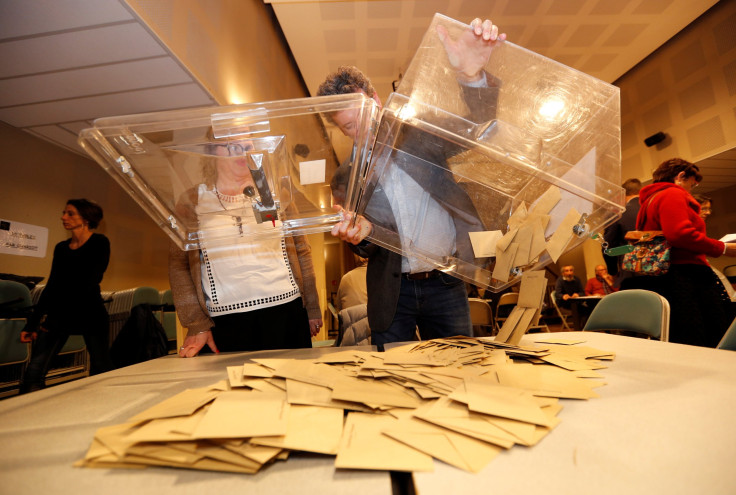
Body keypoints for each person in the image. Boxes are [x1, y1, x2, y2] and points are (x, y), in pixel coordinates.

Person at [318, 18, 506, 349]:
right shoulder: (344, 178)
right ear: (339, 129)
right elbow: (364, 245)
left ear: (376, 99)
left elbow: (478, 127)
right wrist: (358, 236)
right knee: (395, 380)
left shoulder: (420, 133)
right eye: (349, 126)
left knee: (459, 368)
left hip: (446, 282)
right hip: (392, 293)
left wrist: (472, 75)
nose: (362, 130)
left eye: (364, 115)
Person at [170, 141, 322, 357]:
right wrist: (196, 323)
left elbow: (301, 250)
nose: (242, 153)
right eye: (232, 146)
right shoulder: (193, 199)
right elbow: (179, 266)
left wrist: (313, 307)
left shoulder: (272, 190)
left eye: (248, 146)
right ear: (212, 151)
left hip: (286, 312)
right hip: (224, 322)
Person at [622, 158, 736, 347]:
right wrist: (722, 247)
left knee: (680, 334)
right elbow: (679, 234)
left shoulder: (650, 200)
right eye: (693, 182)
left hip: (665, 276)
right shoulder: (672, 194)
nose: (692, 188)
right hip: (687, 276)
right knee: (706, 333)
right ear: (681, 176)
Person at [19, 199, 113, 393]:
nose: (63, 217)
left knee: (100, 372)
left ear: (86, 218)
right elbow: (52, 286)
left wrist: (56, 315)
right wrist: (33, 323)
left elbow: (90, 281)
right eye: (64, 212)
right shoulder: (61, 248)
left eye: (70, 213)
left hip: (90, 313)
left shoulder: (100, 243)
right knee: (33, 376)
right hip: (60, 316)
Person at [603, 178, 641, 285]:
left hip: (630, 273)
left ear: (623, 194)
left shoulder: (618, 213)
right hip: (658, 270)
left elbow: (609, 246)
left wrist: (613, 271)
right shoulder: (651, 207)